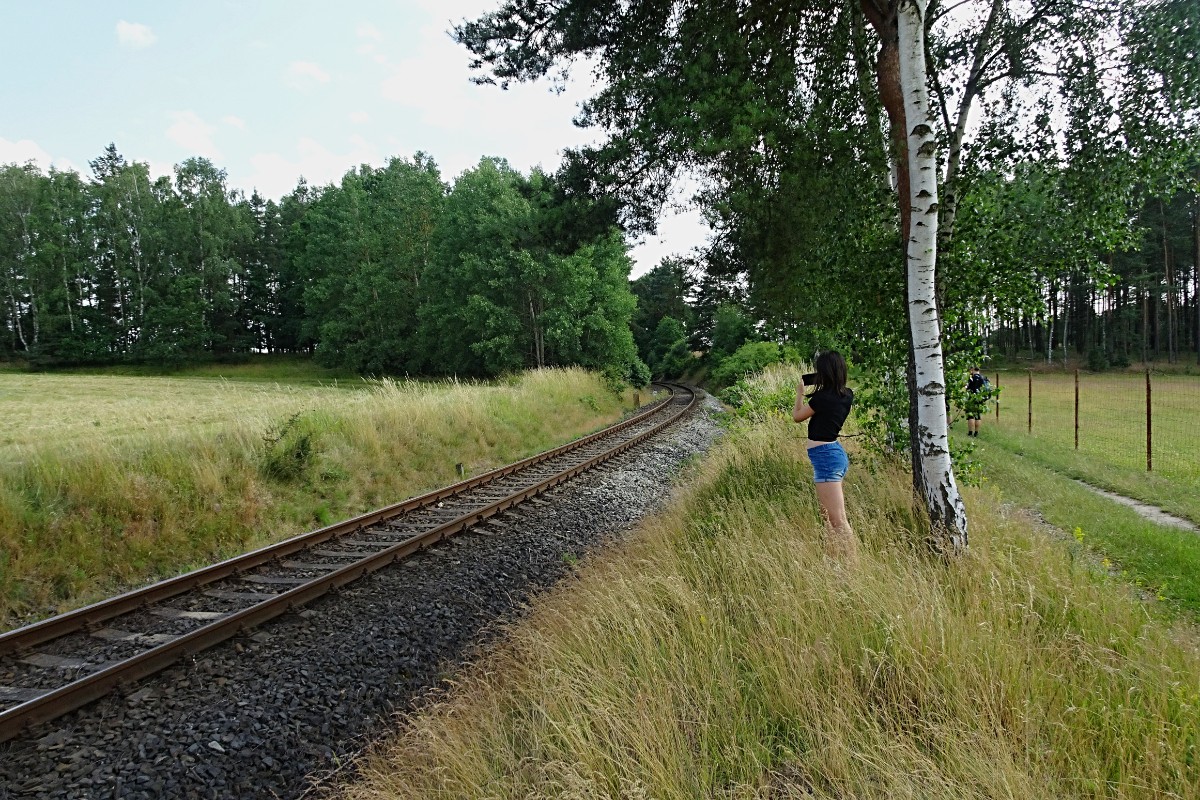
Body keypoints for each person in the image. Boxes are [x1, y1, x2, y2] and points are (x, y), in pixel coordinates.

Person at [792, 350, 857, 560]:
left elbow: (797, 417)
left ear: (825, 372)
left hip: (827, 458)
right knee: (828, 517)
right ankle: (833, 559)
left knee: (838, 520)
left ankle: (853, 565)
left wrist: (800, 393)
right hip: (831, 455)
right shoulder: (847, 394)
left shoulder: (822, 398)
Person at [964, 366, 988, 437]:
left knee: (970, 416)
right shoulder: (983, 378)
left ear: (973, 370)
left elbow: (968, 388)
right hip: (980, 398)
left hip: (971, 398)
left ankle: (970, 432)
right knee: (978, 416)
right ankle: (976, 432)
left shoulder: (971, 378)